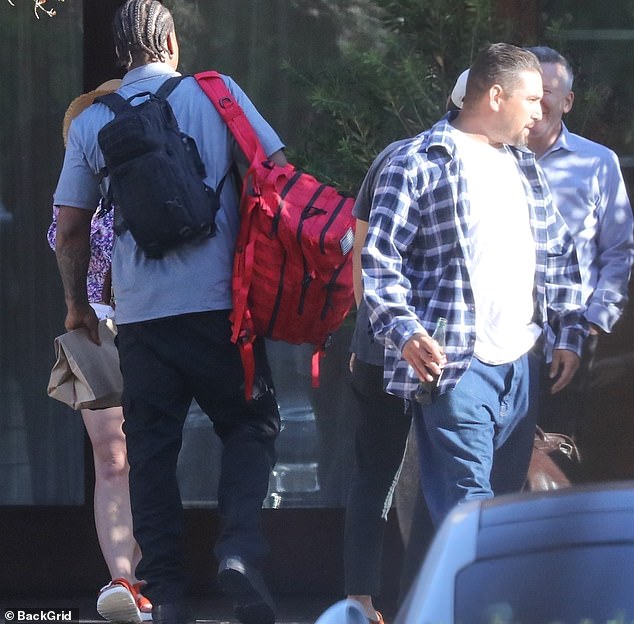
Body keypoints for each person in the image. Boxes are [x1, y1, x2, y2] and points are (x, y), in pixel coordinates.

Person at [52, 2, 287, 623]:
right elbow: (277, 175)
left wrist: (78, 305)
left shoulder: (91, 120)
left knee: (151, 449)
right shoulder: (218, 94)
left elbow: (70, 228)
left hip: (141, 319)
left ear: (120, 51)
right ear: (170, 41)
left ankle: (167, 591)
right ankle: (238, 549)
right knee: (251, 424)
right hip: (220, 309)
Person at [362, 43, 588, 528]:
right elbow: (379, 259)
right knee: (472, 505)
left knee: (496, 510)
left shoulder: (523, 165)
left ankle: (453, 600)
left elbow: (558, 251)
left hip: (522, 363)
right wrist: (405, 331)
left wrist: (569, 330)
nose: (541, 111)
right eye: (532, 99)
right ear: (496, 96)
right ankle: (478, 606)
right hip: (457, 363)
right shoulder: (418, 161)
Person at [342, 69, 471, 621]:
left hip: (395, 345)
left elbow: (359, 253)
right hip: (402, 349)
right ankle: (367, 598)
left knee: (392, 474)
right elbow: (366, 251)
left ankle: (373, 598)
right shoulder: (413, 159)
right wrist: (377, 333)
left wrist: (368, 330)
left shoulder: (401, 156)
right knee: (395, 474)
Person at [48, 80, 152, 624]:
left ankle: (149, 572)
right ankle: (122, 579)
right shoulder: (82, 183)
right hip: (98, 324)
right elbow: (61, 235)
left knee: (155, 455)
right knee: (112, 458)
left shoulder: (162, 170)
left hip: (158, 321)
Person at [525, 45, 634, 440]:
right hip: (498, 341)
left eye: (548, 91)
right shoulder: (491, 159)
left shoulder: (597, 162)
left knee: (555, 451)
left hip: (567, 338)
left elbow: (619, 249)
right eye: (531, 90)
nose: (539, 101)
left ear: (568, 101)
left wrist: (594, 323)